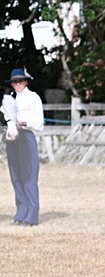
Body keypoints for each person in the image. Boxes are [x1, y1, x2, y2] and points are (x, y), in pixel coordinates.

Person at [2, 68, 43, 226]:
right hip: (12, 137)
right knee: (15, 174)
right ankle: (21, 210)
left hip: (26, 135)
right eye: (14, 81)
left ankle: (32, 213)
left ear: (26, 81)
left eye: (20, 80)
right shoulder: (9, 99)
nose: (17, 83)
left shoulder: (33, 98)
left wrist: (22, 122)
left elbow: (39, 123)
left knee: (28, 174)